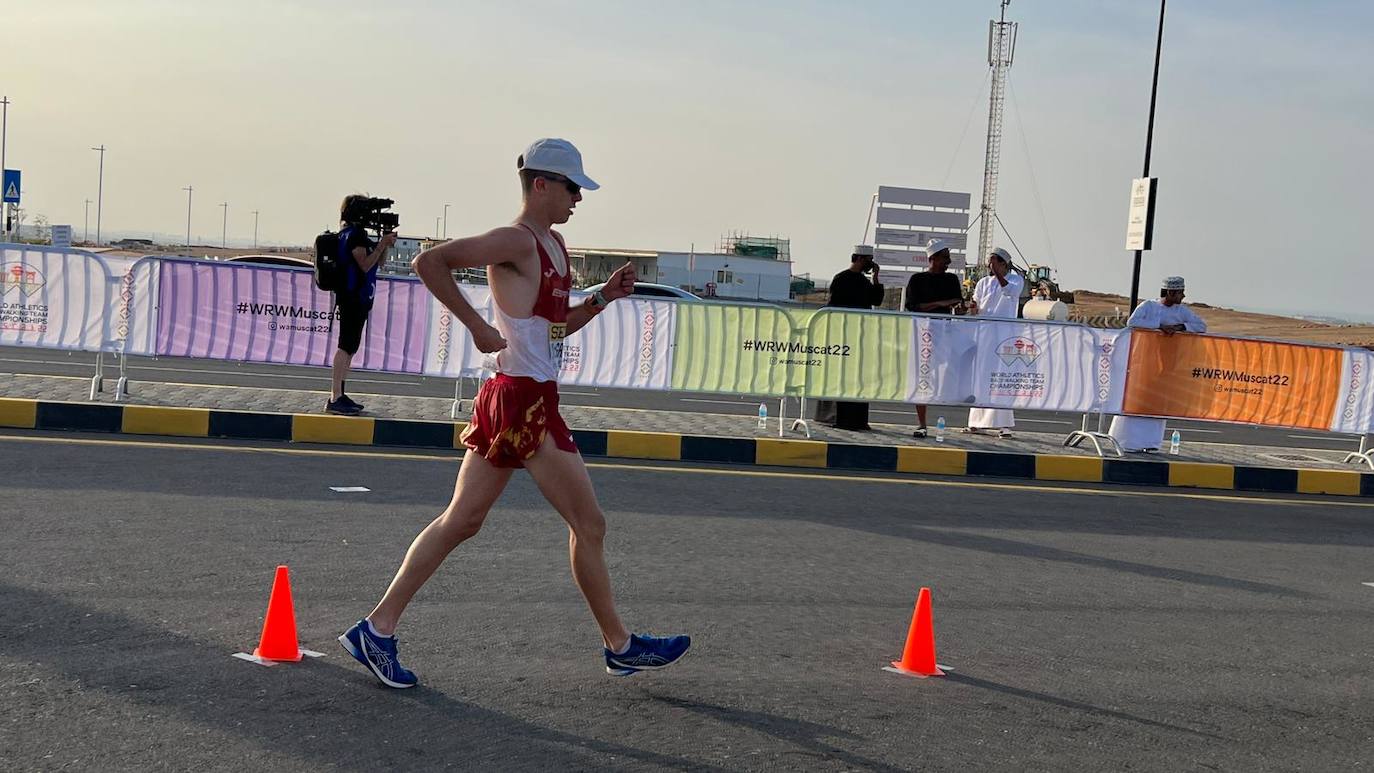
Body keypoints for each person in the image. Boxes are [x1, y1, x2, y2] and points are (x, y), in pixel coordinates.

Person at [338, 138, 690, 688]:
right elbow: (432, 263)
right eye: (573, 187)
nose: (579, 197)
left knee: (463, 521)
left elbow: (552, 331)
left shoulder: (555, 246)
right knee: (587, 523)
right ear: (542, 184)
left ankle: (376, 629)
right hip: (521, 401)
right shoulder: (515, 240)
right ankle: (619, 645)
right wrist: (477, 326)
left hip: (527, 397)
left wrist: (602, 300)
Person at [1108, 276, 1208, 452]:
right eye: (1180, 293)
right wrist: (1160, 326)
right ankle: (1126, 442)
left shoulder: (1181, 311)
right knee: (1137, 399)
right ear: (1170, 292)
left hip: (1167, 365)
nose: (1183, 296)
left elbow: (1201, 326)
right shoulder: (1149, 306)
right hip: (1144, 364)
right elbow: (1133, 322)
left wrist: (1178, 328)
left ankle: (1150, 443)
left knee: (1158, 402)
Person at [327, 195, 397, 415]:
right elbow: (365, 265)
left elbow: (379, 262)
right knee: (345, 345)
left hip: (359, 297)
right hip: (352, 297)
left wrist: (383, 244)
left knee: (350, 346)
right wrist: (382, 244)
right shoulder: (354, 235)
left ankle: (340, 394)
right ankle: (335, 396)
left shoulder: (354, 234)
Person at [814, 244, 885, 431]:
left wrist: (876, 278)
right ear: (860, 259)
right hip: (842, 334)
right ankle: (834, 417)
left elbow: (876, 300)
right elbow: (835, 305)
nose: (871, 264)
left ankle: (857, 419)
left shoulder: (864, 281)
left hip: (860, 334)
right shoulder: (842, 278)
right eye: (869, 260)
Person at [903, 238, 966, 438]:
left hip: (946, 332)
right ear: (934, 258)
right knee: (922, 376)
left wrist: (959, 308)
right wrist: (944, 303)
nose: (948, 262)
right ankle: (922, 423)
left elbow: (958, 305)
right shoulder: (917, 280)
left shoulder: (951, 280)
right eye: (945, 258)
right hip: (924, 334)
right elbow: (914, 307)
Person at [965, 247, 1023, 437]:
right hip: (984, 334)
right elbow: (977, 305)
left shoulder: (1015, 279)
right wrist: (972, 308)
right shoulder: (983, 282)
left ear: (1003, 263)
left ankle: (1004, 425)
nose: (990, 265)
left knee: (1002, 377)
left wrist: (999, 274)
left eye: (993, 262)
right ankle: (976, 422)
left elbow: (1010, 292)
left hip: (1004, 335)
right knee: (981, 376)